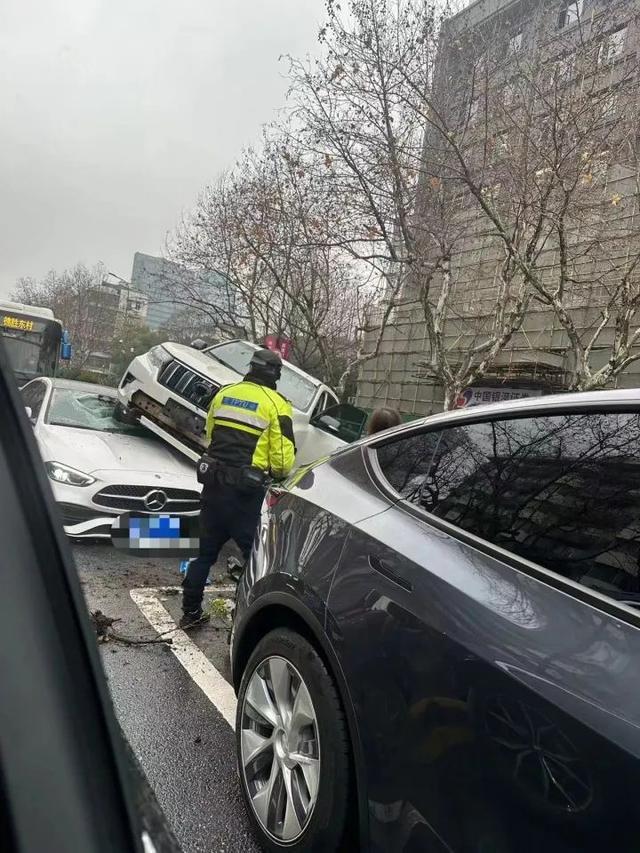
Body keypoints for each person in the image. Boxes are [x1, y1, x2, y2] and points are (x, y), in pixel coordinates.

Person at [180, 348, 296, 628]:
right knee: (254, 559)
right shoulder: (277, 404)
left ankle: (190, 613)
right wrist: (277, 473)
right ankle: (241, 622)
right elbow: (282, 460)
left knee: (204, 552)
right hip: (246, 495)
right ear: (276, 375)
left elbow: (210, 433)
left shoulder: (224, 393)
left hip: (214, 486)